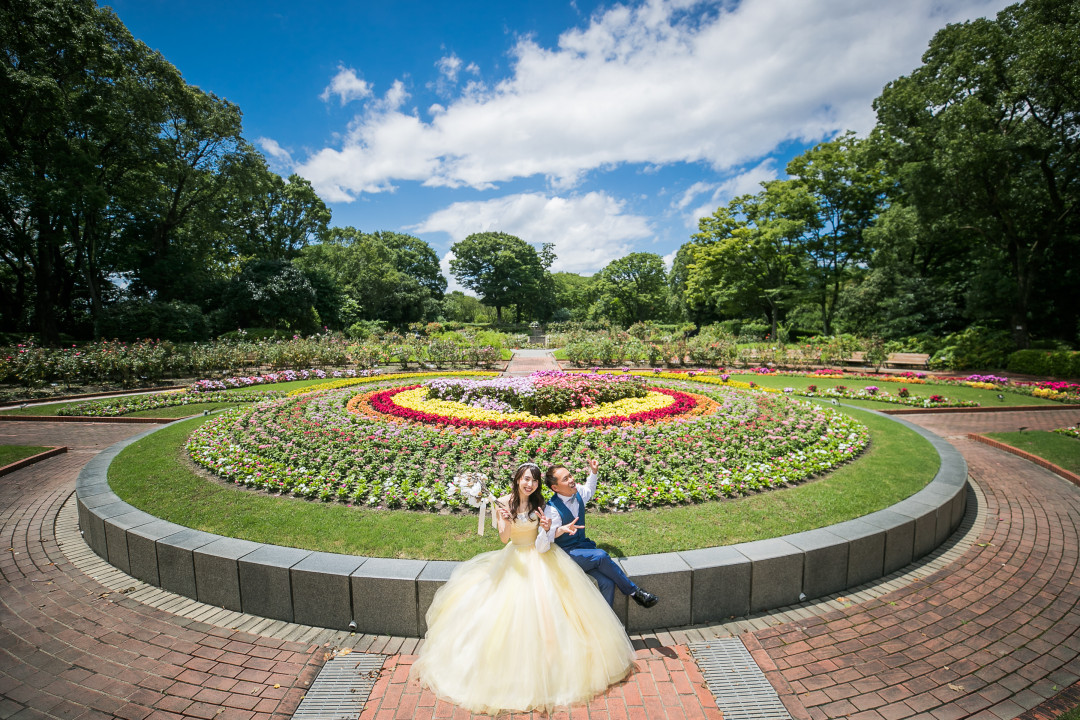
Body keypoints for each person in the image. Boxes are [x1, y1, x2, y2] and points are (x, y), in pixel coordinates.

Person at [410, 463, 636, 714]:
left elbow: (543, 544)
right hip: (513, 559)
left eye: (535, 480)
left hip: (542, 558)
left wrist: (552, 529)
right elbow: (504, 538)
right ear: (518, 479)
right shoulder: (503, 502)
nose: (530, 484)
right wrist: (505, 519)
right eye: (526, 479)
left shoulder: (541, 505)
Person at [543, 459, 659, 609]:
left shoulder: (577, 492)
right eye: (566, 479)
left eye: (570, 475)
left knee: (607, 583)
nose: (572, 480)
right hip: (565, 555)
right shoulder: (551, 510)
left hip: (582, 550)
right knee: (601, 556)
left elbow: (589, 490)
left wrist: (594, 472)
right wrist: (562, 529)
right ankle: (634, 592)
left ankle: (606, 627)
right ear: (555, 487)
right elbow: (547, 538)